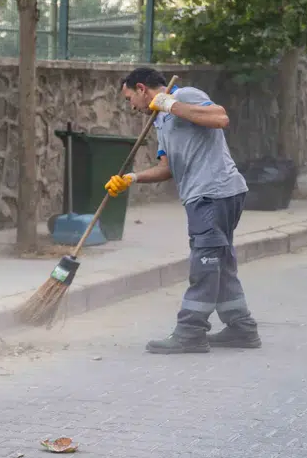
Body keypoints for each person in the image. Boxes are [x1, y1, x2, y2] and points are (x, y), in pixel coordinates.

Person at [109, 67, 260, 354]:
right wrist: (133, 178)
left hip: (212, 194)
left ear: (142, 89)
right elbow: (167, 168)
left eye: (130, 98)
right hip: (212, 194)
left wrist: (171, 104)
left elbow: (220, 118)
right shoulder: (160, 122)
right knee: (220, 261)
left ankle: (191, 330)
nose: (131, 106)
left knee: (205, 262)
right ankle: (241, 328)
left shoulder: (185, 96)